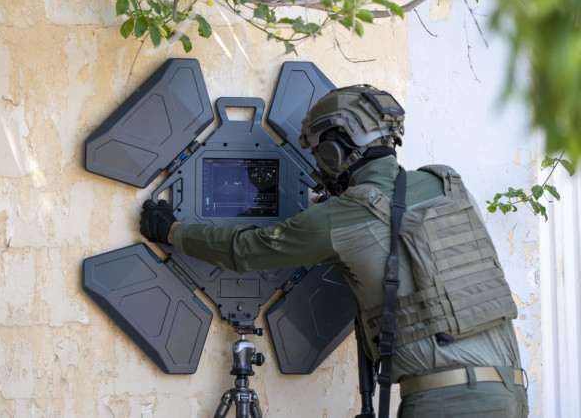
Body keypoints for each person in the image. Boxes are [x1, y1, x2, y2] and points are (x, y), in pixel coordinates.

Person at [139, 85, 528, 417]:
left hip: (444, 401)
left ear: (335, 151)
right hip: (512, 390)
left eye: (319, 153)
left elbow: (246, 250)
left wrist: (170, 230)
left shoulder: (340, 217)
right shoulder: (447, 184)